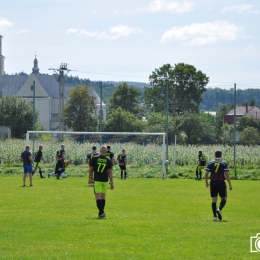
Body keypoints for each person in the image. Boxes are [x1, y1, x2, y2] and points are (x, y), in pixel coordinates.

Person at [205, 150, 233, 221]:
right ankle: (219, 209)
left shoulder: (210, 163)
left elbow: (206, 173)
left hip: (213, 182)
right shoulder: (224, 163)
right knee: (224, 198)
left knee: (214, 199)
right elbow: (226, 174)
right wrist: (230, 184)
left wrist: (206, 182)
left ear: (214, 155)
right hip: (221, 182)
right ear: (221, 155)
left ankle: (215, 217)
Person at [89, 145, 114, 218]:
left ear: (99, 151)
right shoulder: (108, 160)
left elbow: (91, 170)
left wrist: (90, 179)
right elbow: (110, 172)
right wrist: (112, 182)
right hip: (105, 181)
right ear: (106, 151)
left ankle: (101, 212)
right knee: (103, 197)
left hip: (97, 180)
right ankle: (101, 213)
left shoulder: (94, 159)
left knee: (98, 197)